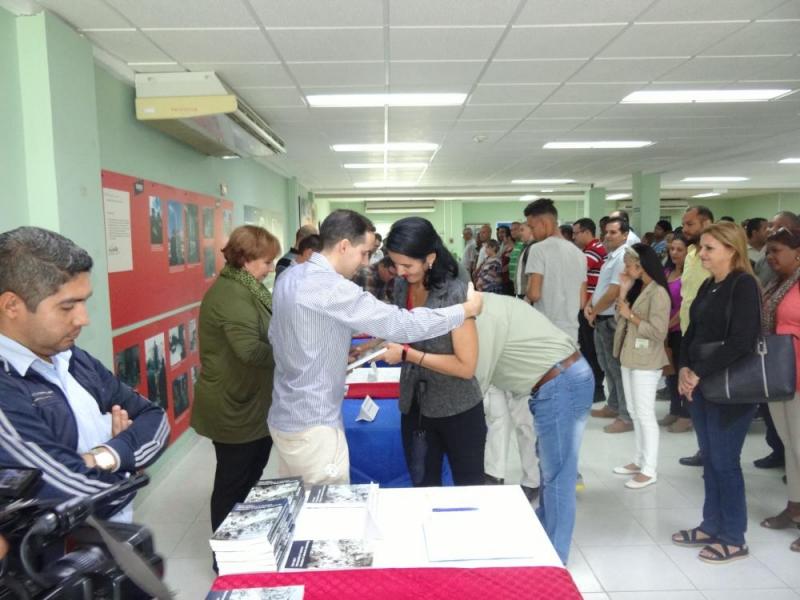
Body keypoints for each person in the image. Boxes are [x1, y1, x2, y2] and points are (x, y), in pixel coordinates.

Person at [268, 210, 482, 486]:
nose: (366, 262)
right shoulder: (332, 287)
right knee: (325, 514)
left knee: (300, 503)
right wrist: (464, 311)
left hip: (285, 415)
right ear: (344, 246)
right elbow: (399, 324)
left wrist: (326, 354)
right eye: (364, 253)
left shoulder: (291, 276)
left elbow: (278, 335)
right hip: (315, 423)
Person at [394, 292, 592, 563]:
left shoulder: (479, 319)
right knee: (550, 469)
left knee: (558, 474)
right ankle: (546, 533)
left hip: (561, 381)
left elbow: (471, 378)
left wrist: (414, 358)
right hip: (554, 380)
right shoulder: (477, 307)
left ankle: (555, 558)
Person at [0, 227, 169, 520]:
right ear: (12, 306)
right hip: (52, 561)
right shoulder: (7, 388)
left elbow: (156, 419)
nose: (84, 319)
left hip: (109, 549)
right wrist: (130, 465)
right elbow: (84, 498)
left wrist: (105, 455)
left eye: (84, 301)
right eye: (67, 306)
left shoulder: (70, 356)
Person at [672, 221, 761, 564]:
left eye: (709, 248)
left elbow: (743, 341)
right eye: (702, 248)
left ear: (731, 250)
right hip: (702, 384)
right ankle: (711, 525)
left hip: (730, 388)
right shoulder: (711, 284)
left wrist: (698, 372)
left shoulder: (743, 285)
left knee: (725, 462)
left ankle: (734, 537)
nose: (702, 254)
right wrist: (683, 366)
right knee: (710, 461)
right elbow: (691, 332)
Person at [380, 217, 487, 487]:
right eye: (395, 264)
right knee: (423, 486)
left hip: (458, 409)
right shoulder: (402, 286)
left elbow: (466, 367)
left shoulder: (454, 293)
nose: (400, 271)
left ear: (430, 257)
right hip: (415, 407)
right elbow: (402, 326)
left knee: (469, 489)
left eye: (407, 265)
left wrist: (408, 355)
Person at [191, 225, 280, 535]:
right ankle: (225, 556)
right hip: (235, 406)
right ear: (246, 259)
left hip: (251, 401)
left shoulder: (246, 288)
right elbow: (250, 351)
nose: (270, 269)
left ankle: (241, 539)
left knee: (248, 476)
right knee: (232, 482)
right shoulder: (232, 294)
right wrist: (293, 354)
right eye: (267, 262)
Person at [612, 244, 671, 489]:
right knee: (635, 412)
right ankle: (638, 460)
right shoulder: (638, 288)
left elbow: (658, 332)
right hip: (629, 356)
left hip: (647, 361)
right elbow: (619, 318)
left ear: (641, 266)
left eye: (629, 265)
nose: (626, 269)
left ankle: (650, 469)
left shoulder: (658, 293)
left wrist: (631, 316)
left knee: (646, 415)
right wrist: (623, 292)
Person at [758, 227, 800, 552]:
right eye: (768, 251)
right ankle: (795, 505)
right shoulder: (775, 284)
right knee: (790, 444)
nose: (770, 257)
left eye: (776, 251)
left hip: (799, 377)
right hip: (778, 375)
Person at [586, 217, 633, 432]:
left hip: (610, 320)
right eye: (606, 232)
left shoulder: (623, 256)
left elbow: (614, 291)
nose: (608, 236)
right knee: (607, 367)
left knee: (616, 368)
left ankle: (626, 416)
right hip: (600, 318)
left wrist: (594, 311)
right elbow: (601, 286)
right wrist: (590, 304)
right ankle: (613, 405)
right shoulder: (610, 256)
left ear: (624, 235)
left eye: (613, 232)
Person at [676, 206, 714, 467]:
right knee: (694, 395)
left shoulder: (717, 258)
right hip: (687, 330)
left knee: (706, 395)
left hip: (708, 337)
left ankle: (712, 451)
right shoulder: (691, 252)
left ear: (707, 223)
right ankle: (705, 448)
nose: (685, 230)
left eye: (690, 224)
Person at [524, 199, 587, 342]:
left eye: (532, 227)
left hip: (547, 330)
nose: (532, 234)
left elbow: (534, 294)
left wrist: (527, 292)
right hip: (571, 331)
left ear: (544, 223)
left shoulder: (538, 249)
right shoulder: (579, 254)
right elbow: (582, 302)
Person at [659, 234, 692, 433]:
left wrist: (668, 325)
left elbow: (686, 306)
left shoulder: (688, 275)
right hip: (665, 330)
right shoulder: (666, 272)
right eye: (672, 249)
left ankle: (686, 415)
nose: (674, 253)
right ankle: (674, 408)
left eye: (680, 250)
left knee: (682, 372)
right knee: (669, 372)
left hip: (680, 330)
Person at [573, 218, 607, 403]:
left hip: (591, 306)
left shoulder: (594, 249)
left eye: (576, 233)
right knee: (587, 348)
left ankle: (597, 388)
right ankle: (592, 387)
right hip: (587, 305)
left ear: (586, 232)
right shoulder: (588, 250)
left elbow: (576, 271)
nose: (574, 237)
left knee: (591, 349)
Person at [514, 223, 535, 298]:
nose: (520, 233)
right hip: (522, 292)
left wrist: (528, 295)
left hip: (527, 294)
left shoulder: (533, 248)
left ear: (531, 230)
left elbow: (532, 274)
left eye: (522, 230)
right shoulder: (525, 247)